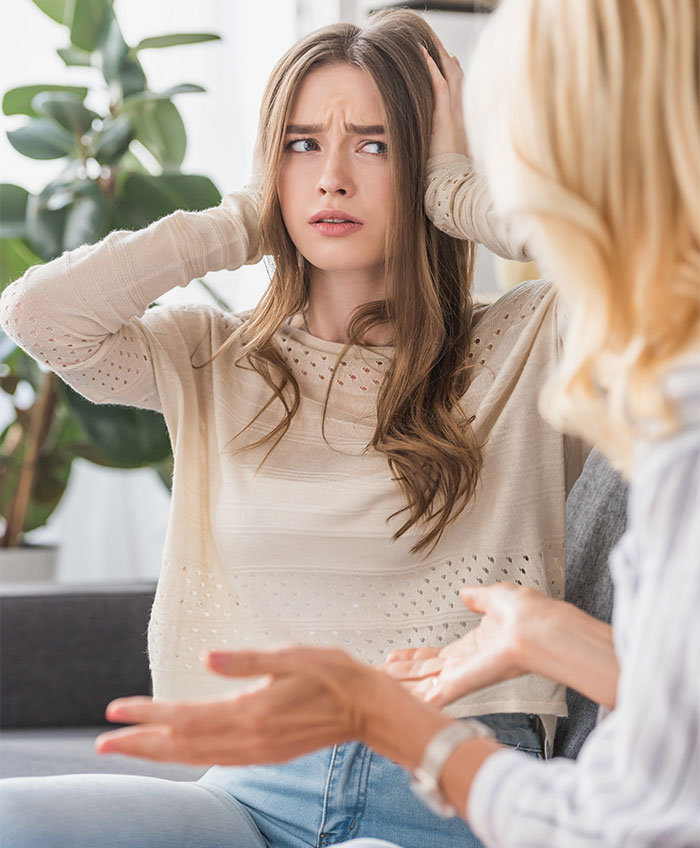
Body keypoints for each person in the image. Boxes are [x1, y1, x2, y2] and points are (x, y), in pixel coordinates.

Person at [83, 0, 700, 846]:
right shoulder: (211, 356)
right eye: (303, 144)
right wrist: (240, 220)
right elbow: (43, 317)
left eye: (376, 145)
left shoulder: (529, 337)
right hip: (257, 789)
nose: (332, 177)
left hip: (452, 770)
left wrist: (452, 183)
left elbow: (643, 259)